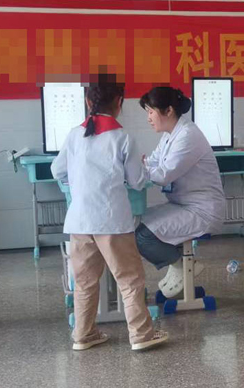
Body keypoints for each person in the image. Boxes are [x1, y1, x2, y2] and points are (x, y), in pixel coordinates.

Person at [52, 76, 168, 352]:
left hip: (80, 221)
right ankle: (141, 335)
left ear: (88, 101)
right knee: (129, 280)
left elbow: (57, 171)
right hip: (112, 222)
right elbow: (137, 181)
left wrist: (79, 181)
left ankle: (83, 335)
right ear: (119, 102)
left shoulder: (74, 135)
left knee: (84, 283)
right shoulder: (123, 138)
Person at [135, 86, 225, 298]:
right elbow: (152, 162)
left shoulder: (188, 135)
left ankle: (181, 266)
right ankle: (179, 265)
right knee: (136, 226)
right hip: (182, 204)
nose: (148, 118)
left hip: (201, 210)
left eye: (151, 111)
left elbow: (164, 174)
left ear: (168, 110)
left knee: (143, 236)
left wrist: (138, 170)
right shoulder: (170, 135)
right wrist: (142, 167)